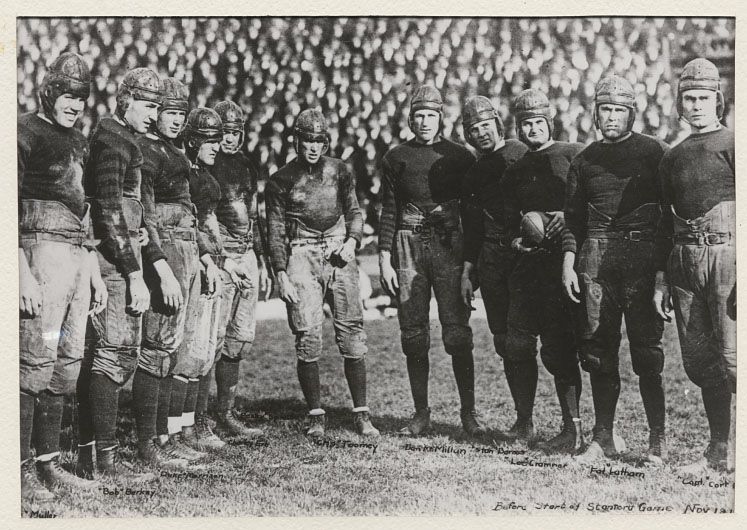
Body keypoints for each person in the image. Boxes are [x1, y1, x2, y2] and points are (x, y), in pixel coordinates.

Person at [561, 76, 669, 464]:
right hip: (596, 258)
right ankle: (602, 435)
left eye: (618, 110)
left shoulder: (655, 152)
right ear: (595, 113)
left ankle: (656, 440)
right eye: (605, 109)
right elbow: (572, 219)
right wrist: (569, 262)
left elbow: (669, 217)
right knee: (597, 349)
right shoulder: (584, 160)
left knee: (647, 354)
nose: (610, 117)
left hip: (640, 256)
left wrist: (662, 273)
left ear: (632, 114)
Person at [18, 52, 106, 506]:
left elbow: (84, 206)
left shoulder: (79, 140)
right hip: (39, 250)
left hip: (74, 255)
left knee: (65, 363)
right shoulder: (22, 131)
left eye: (81, 97)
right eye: (68, 95)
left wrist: (92, 269)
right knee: (33, 360)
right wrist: (19, 273)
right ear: (50, 91)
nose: (75, 104)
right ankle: (17, 473)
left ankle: (48, 463)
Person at [266, 108, 379, 438]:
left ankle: (361, 412)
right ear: (295, 141)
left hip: (337, 251)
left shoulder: (340, 170)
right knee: (308, 333)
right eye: (307, 140)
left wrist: (352, 241)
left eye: (319, 141)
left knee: (351, 333)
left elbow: (355, 212)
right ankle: (316, 413)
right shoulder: (281, 179)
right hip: (301, 253)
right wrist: (281, 273)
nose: (313, 147)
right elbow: (274, 229)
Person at [378, 86, 480, 436]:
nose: (424, 121)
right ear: (410, 118)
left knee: (456, 332)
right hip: (408, 242)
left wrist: (469, 260)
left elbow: (472, 209)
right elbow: (389, 208)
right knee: (414, 333)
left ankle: (469, 413)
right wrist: (383, 256)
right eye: (418, 115)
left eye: (430, 115)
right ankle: (421, 412)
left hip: (449, 239)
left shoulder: (461, 156)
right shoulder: (396, 157)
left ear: (441, 117)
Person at [77, 67, 163, 481]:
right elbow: (108, 209)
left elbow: (121, 207)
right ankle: (104, 464)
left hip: (120, 252)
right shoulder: (113, 139)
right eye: (147, 105)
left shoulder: (123, 137)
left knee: (112, 354)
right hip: (113, 261)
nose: (153, 114)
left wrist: (139, 228)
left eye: (158, 107)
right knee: (112, 355)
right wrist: (133, 273)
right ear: (126, 100)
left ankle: (91, 458)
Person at [652, 58, 736, 474]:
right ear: (679, 104)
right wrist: (662, 279)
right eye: (690, 98)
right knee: (701, 363)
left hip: (728, 257)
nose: (697, 105)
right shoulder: (673, 156)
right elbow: (665, 221)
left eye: (704, 98)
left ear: (717, 101)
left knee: (736, 358)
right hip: (684, 262)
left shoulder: (734, 144)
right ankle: (718, 451)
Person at [500, 88, 585, 452]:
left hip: (562, 264)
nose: (533, 129)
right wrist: (516, 241)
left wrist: (566, 217)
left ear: (549, 123)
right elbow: (506, 221)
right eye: (526, 124)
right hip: (528, 266)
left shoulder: (573, 154)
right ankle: (524, 423)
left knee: (558, 349)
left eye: (538, 122)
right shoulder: (515, 169)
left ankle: (573, 427)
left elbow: (587, 205)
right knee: (517, 345)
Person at [134, 77, 205, 469]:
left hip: (186, 245)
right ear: (155, 112)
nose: (176, 120)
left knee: (172, 348)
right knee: (157, 346)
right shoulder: (145, 149)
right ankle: (148, 443)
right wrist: (160, 264)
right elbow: (146, 212)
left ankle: (165, 435)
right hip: (166, 247)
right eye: (169, 113)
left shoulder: (172, 149)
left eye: (181, 113)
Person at [199, 99, 271, 439]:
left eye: (235, 133)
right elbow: (206, 216)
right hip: (221, 254)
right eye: (224, 133)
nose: (229, 140)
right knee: (211, 338)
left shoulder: (246, 164)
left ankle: (225, 413)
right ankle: (198, 418)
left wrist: (262, 260)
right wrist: (217, 255)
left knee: (238, 340)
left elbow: (253, 215)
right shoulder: (206, 164)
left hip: (246, 255)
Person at [459, 95, 527, 410]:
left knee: (547, 341)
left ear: (497, 124)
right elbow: (472, 227)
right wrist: (468, 269)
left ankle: (573, 423)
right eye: (474, 129)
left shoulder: (520, 152)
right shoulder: (473, 172)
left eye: (486, 125)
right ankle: (523, 417)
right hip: (491, 256)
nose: (481, 133)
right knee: (503, 340)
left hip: (526, 254)